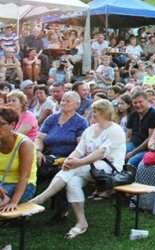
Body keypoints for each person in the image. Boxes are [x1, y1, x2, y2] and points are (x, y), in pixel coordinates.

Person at [30, 100, 126, 239]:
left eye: (95, 112)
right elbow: (78, 150)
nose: (91, 115)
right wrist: (69, 160)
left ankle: (40, 199)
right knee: (72, 182)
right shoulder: (90, 129)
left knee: (72, 170)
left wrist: (77, 163)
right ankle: (81, 222)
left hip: (109, 168)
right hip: (87, 166)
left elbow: (101, 153)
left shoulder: (115, 130)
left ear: (104, 113)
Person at [34, 90, 89, 221]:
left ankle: (61, 212)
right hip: (47, 156)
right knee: (32, 170)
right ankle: (25, 205)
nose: (63, 102)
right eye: (63, 100)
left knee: (62, 173)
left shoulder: (81, 122)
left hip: (67, 157)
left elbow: (80, 146)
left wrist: (68, 160)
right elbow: (39, 138)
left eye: (67, 101)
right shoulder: (52, 118)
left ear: (77, 104)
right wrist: (38, 151)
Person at [0, 108, 36, 212]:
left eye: (1, 124)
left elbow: (25, 176)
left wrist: (14, 202)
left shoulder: (24, 144)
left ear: (12, 125)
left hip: (22, 185)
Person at [125, 90, 155, 168]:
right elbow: (129, 136)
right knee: (118, 154)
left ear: (147, 101)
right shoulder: (132, 114)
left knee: (131, 162)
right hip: (134, 144)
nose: (138, 105)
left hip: (148, 149)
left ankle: (132, 179)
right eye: (135, 103)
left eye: (140, 102)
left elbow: (151, 139)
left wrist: (133, 153)